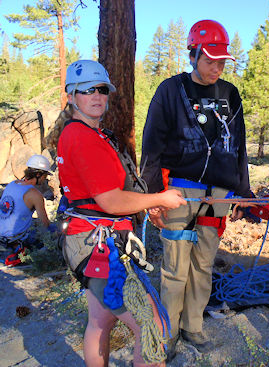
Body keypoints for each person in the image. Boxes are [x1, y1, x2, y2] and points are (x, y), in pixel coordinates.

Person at [56, 59, 187, 367]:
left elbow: (109, 195)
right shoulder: (83, 137)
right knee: (152, 325)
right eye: (87, 90)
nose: (97, 96)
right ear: (71, 96)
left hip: (90, 240)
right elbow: (110, 202)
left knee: (101, 320)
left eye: (101, 89)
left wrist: (146, 200)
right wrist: (160, 198)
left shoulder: (89, 134)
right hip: (99, 244)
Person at [141, 19, 254, 360]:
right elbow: (152, 145)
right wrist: (154, 197)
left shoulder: (230, 94)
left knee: (203, 266)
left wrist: (242, 194)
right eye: (210, 59)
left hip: (217, 196)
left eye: (221, 61)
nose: (216, 67)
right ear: (193, 55)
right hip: (179, 192)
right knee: (175, 268)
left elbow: (239, 147)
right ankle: (167, 332)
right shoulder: (171, 90)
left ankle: (193, 326)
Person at [0, 154, 56, 265]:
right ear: (39, 174)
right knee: (55, 229)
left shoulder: (11, 184)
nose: (45, 179)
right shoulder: (35, 194)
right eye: (45, 176)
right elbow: (45, 224)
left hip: (1, 236)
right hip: (15, 240)